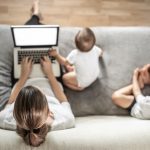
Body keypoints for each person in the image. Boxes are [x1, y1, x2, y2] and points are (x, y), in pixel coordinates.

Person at [0, 1, 75, 147]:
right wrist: (50, 74)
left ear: (16, 113)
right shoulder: (64, 119)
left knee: (29, 33)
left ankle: (35, 16)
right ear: (49, 113)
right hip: (50, 79)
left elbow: (10, 102)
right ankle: (36, 17)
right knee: (46, 44)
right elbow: (63, 99)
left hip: (23, 78)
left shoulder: (7, 120)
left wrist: (23, 76)